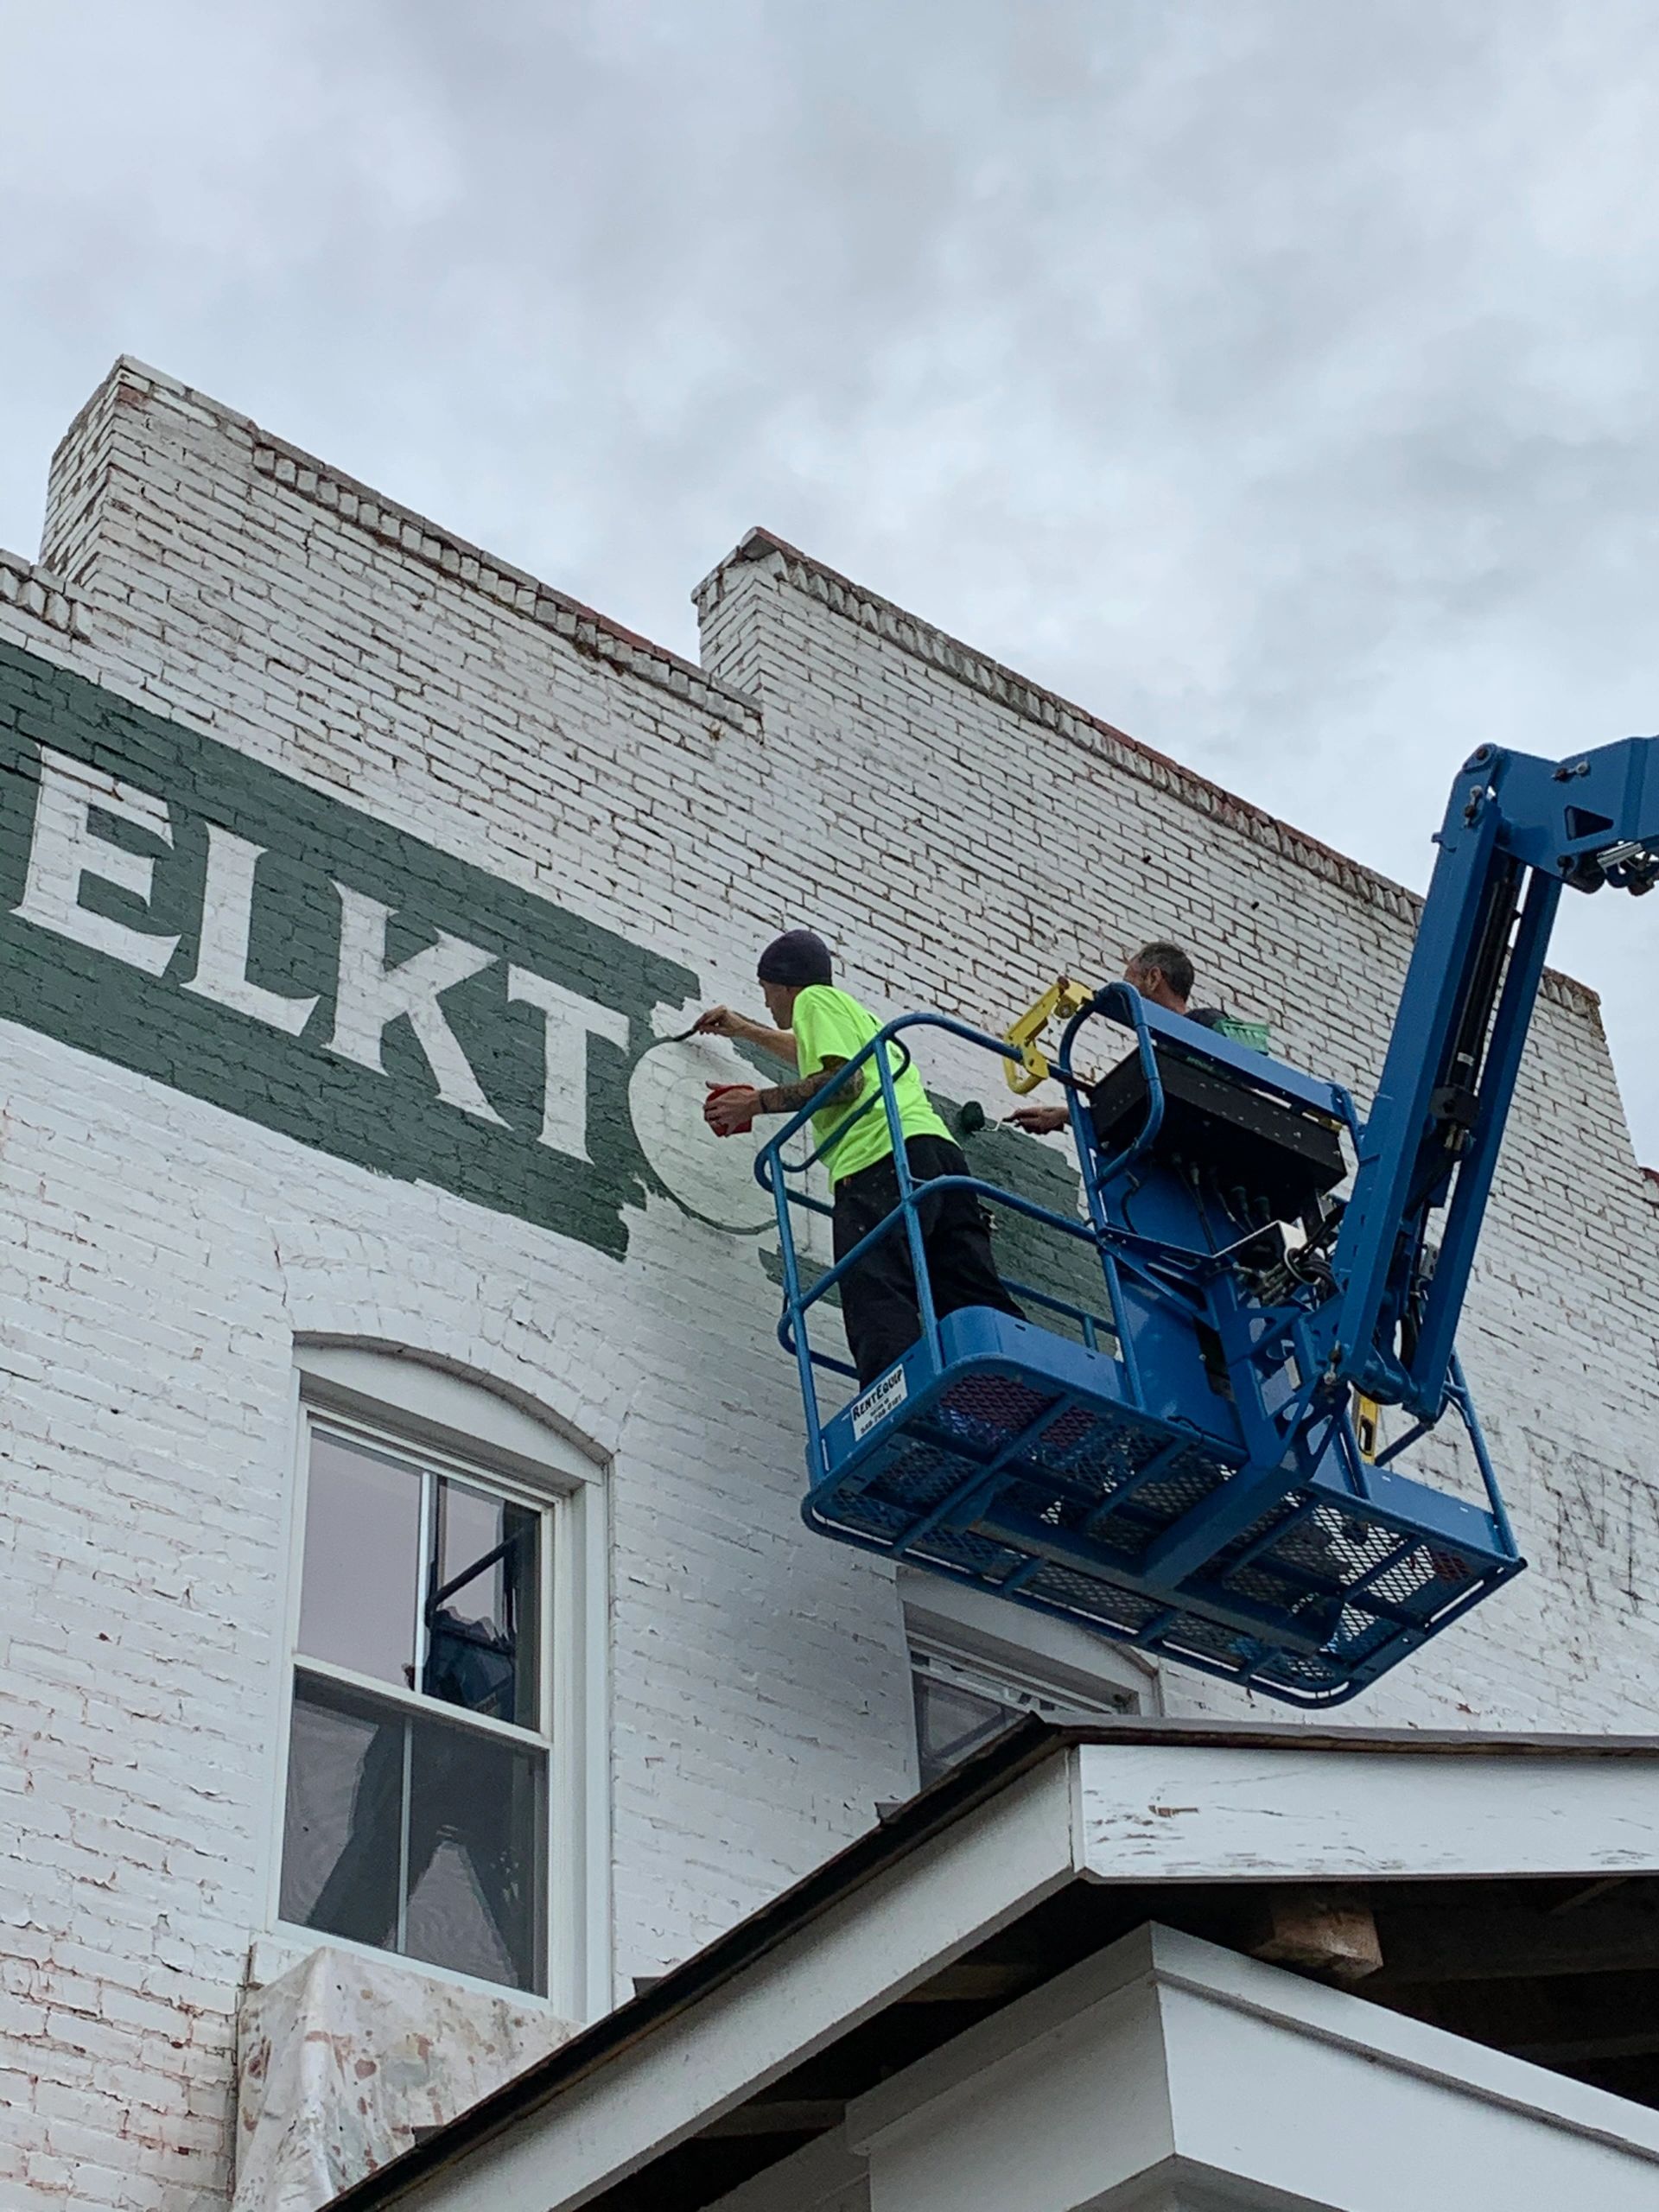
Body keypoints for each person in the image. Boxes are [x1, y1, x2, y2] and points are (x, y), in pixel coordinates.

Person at [698, 929, 1022, 1388]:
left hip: (877, 1161)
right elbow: (817, 1055)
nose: (768, 1003)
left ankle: (901, 1405)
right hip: (935, 1153)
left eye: (767, 992)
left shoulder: (813, 1002)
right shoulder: (856, 1016)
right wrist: (747, 1030)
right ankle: (1020, 1390)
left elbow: (844, 1083)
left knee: (876, 1289)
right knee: (967, 1287)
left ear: (787, 985)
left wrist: (756, 1103)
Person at [1008, 940, 1230, 1137]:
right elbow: (1142, 1118)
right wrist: (1066, 1116)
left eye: (1129, 981)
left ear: (1153, 978)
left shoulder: (1206, 1021)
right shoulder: (1160, 1056)